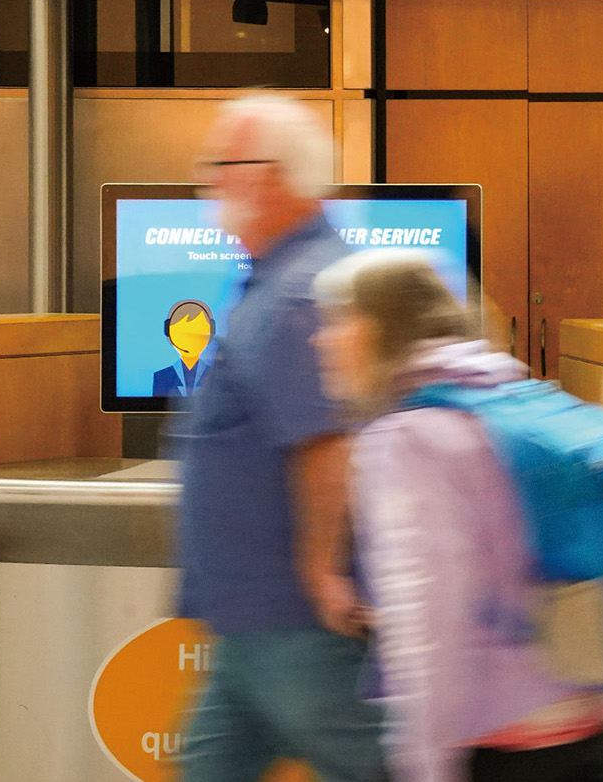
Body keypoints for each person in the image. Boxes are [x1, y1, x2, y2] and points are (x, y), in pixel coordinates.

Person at [310, 248, 603, 782]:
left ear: (374, 330)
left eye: (336, 321)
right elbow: (592, 561)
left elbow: (430, 623)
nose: (321, 339)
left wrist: (426, 765)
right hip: (583, 724)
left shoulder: (408, 442)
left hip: (499, 744)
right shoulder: (520, 398)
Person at [172, 94, 386, 782]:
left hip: (299, 623)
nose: (211, 183)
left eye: (222, 165)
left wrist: (322, 572)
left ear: (271, 176)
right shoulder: (286, 279)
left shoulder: (299, 293)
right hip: (254, 626)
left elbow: (326, 442)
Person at [153, 299, 215, 398]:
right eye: (182, 334)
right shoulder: (161, 377)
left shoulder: (218, 376)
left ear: (211, 333)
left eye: (197, 333)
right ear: (169, 333)